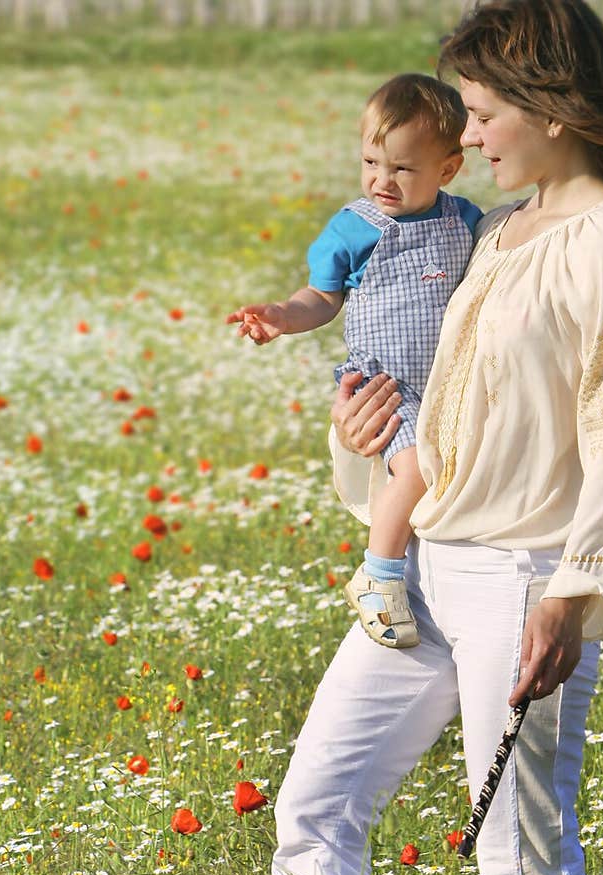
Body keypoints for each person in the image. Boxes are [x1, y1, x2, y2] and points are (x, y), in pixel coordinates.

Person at [272, 0, 603, 875]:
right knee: (313, 811)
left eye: (483, 111)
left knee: (521, 858)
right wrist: (358, 439)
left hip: (521, 579)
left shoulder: (602, 237)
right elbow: (439, 402)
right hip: (422, 568)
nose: (466, 134)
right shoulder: (491, 233)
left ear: (548, 107)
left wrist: (572, 592)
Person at [227, 73, 482, 649]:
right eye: (371, 162)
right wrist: (283, 316)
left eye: (402, 169)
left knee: (447, 469)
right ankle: (381, 575)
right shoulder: (354, 228)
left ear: (447, 169)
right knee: (416, 466)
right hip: (388, 384)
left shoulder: (461, 221)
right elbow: (320, 297)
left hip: (445, 382)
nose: (381, 180)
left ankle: (427, 573)